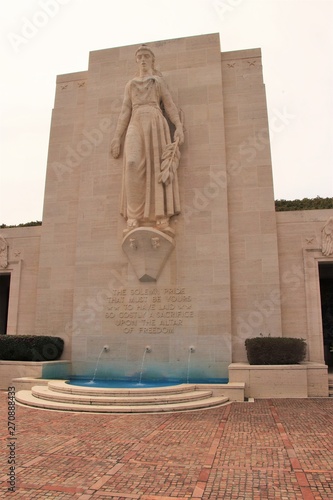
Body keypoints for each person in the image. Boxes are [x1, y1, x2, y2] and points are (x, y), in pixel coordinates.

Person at [111, 45, 184, 235]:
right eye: (140, 56)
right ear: (137, 61)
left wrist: (178, 126)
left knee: (156, 167)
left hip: (155, 120)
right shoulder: (130, 85)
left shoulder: (157, 82)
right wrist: (117, 137)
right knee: (132, 163)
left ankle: (161, 218)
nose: (143, 59)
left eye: (146, 56)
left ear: (152, 60)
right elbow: (125, 111)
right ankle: (133, 215)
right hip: (135, 121)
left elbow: (169, 104)